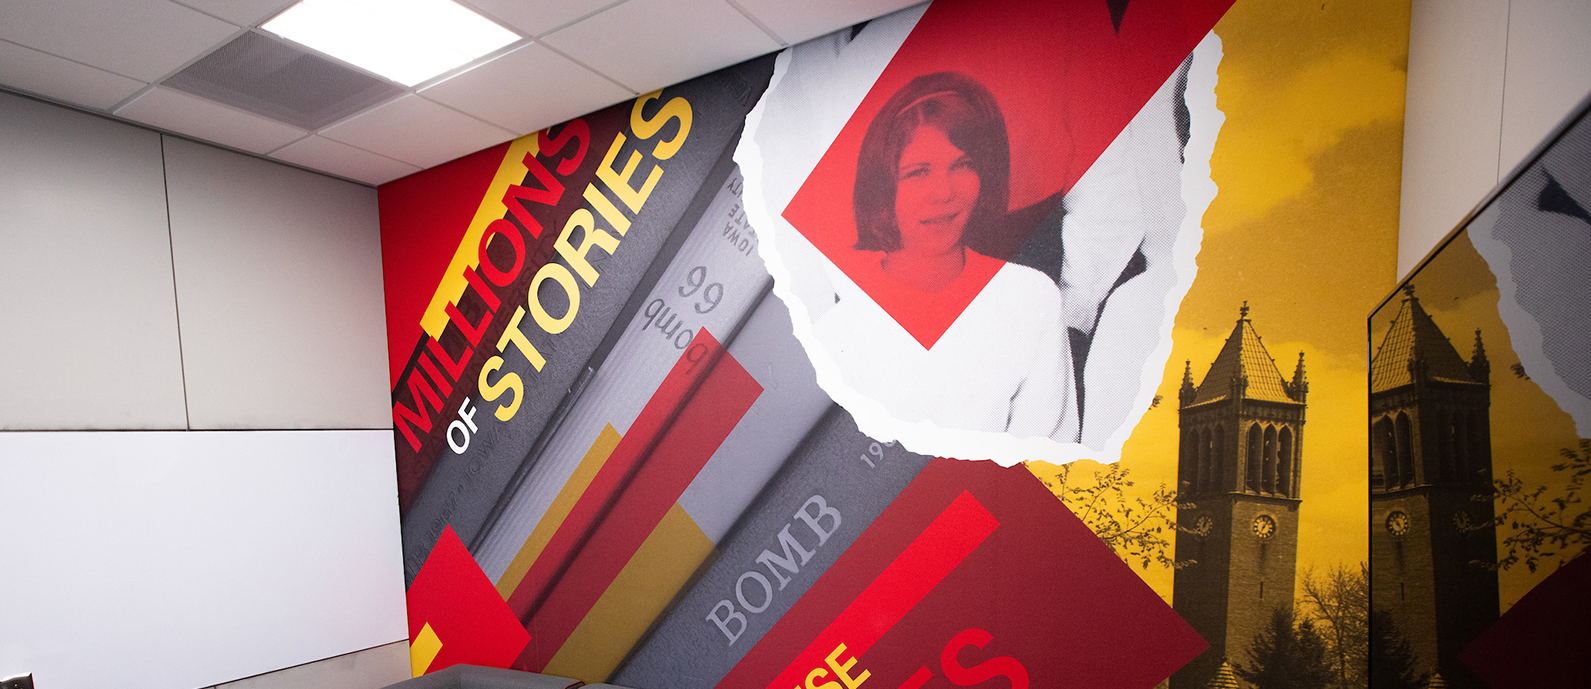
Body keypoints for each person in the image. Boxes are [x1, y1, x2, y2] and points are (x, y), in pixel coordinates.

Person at [813, 72, 1078, 443]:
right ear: (884, 186)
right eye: (918, 172)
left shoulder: (1031, 296)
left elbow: (1047, 446)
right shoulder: (836, 332)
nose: (943, 192)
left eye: (962, 165)